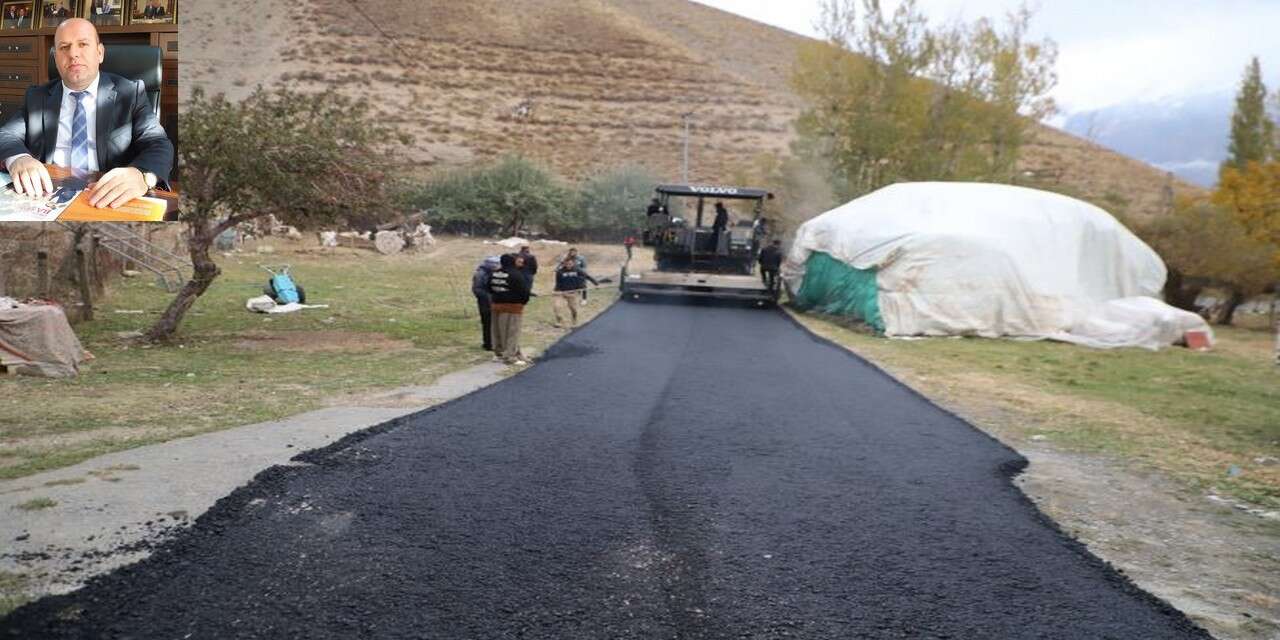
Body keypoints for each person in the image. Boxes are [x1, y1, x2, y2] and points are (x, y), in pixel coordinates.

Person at [0, 18, 173, 208]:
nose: (73, 53)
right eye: (64, 47)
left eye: (83, 44)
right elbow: (6, 135)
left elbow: (158, 144)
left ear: (100, 53)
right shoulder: (36, 96)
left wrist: (143, 175)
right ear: (56, 58)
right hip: (45, 193)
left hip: (104, 197)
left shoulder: (130, 93)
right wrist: (19, 158)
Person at [487, 253, 530, 365]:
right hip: (512, 307)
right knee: (512, 332)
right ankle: (510, 357)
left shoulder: (495, 274)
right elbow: (524, 292)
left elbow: (489, 288)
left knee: (497, 332)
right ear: (512, 262)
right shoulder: (515, 274)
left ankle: (498, 354)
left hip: (496, 305)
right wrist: (523, 302)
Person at [553, 256, 597, 328]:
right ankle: (559, 321)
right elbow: (558, 283)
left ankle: (574, 320)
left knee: (573, 308)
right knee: (556, 307)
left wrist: (596, 283)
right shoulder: (560, 272)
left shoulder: (577, 270)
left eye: (570, 264)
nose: (568, 265)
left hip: (572, 292)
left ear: (573, 264)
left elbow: (587, 276)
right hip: (561, 292)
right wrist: (557, 291)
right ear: (564, 264)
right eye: (566, 264)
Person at [471, 256, 500, 351]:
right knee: (487, 323)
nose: (498, 266)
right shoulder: (480, 274)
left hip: (495, 302)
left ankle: (496, 342)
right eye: (496, 264)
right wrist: (489, 298)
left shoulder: (493, 273)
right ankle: (488, 343)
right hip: (485, 303)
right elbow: (477, 289)